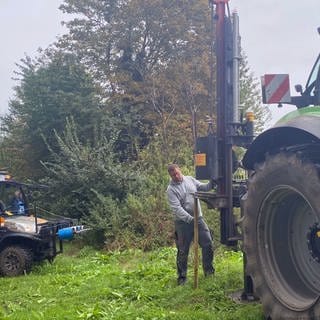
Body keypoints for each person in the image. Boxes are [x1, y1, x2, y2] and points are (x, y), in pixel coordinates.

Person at [166, 164, 215, 285]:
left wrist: (213, 182)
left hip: (198, 219)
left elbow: (203, 187)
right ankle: (182, 278)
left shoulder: (190, 179)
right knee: (183, 250)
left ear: (180, 170)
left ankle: (209, 272)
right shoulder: (171, 190)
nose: (176, 176)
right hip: (182, 223)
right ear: (170, 176)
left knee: (208, 243)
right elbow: (177, 208)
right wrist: (189, 219)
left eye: (177, 173)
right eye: (173, 175)